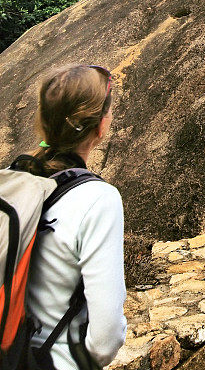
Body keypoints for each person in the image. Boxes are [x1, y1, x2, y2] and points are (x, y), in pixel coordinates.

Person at [18, 64, 127, 370]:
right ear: (100, 127)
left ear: (43, 122)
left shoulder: (13, 180)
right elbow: (105, 340)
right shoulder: (97, 199)